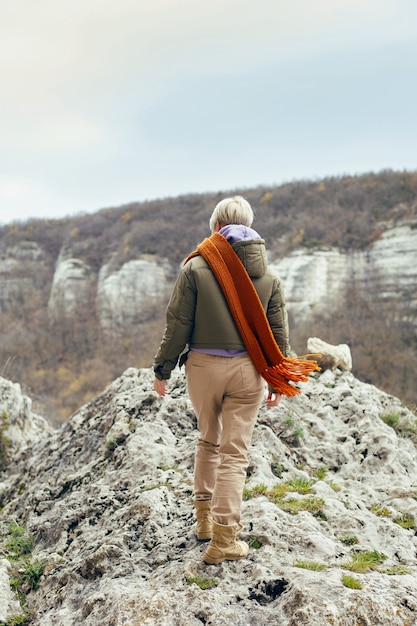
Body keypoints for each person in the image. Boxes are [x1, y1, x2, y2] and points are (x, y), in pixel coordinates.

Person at [153, 195, 302, 565]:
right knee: (234, 455)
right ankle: (223, 539)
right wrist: (278, 379)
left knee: (208, 440)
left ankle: (203, 522)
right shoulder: (269, 275)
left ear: (216, 227)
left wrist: (162, 369)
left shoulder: (196, 267)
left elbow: (178, 326)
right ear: (250, 227)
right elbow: (278, 334)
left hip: (202, 368)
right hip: (248, 371)